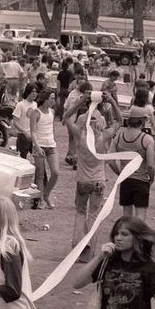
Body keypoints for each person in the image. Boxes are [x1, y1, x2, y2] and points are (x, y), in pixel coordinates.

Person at [63, 91, 122, 263]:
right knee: (94, 215)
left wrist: (81, 100)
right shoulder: (103, 137)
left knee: (80, 213)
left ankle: (76, 247)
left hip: (82, 180)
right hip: (99, 181)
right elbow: (119, 121)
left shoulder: (79, 136)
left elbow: (66, 116)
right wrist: (111, 99)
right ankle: (87, 252)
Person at [109, 107, 155, 221]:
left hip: (126, 180)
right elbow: (150, 165)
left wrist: (120, 173)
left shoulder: (119, 137)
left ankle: (127, 237)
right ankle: (138, 238)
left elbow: (110, 160)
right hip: (141, 180)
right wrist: (151, 178)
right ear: (142, 121)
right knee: (140, 217)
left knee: (126, 215)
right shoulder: (147, 139)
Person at [30, 89, 58, 209]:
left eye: (54, 98)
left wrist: (53, 140)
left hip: (51, 145)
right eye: (51, 98)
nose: (54, 100)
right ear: (45, 99)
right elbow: (33, 132)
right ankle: (40, 199)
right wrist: (37, 146)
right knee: (40, 174)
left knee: (56, 172)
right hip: (39, 145)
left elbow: (52, 129)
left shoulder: (52, 112)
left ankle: (46, 194)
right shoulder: (35, 113)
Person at [13, 84, 38, 159]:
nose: (35, 93)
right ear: (28, 92)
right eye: (33, 91)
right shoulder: (20, 105)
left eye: (36, 92)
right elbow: (15, 122)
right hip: (23, 137)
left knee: (38, 157)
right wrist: (24, 132)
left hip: (34, 135)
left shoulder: (35, 104)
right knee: (21, 158)